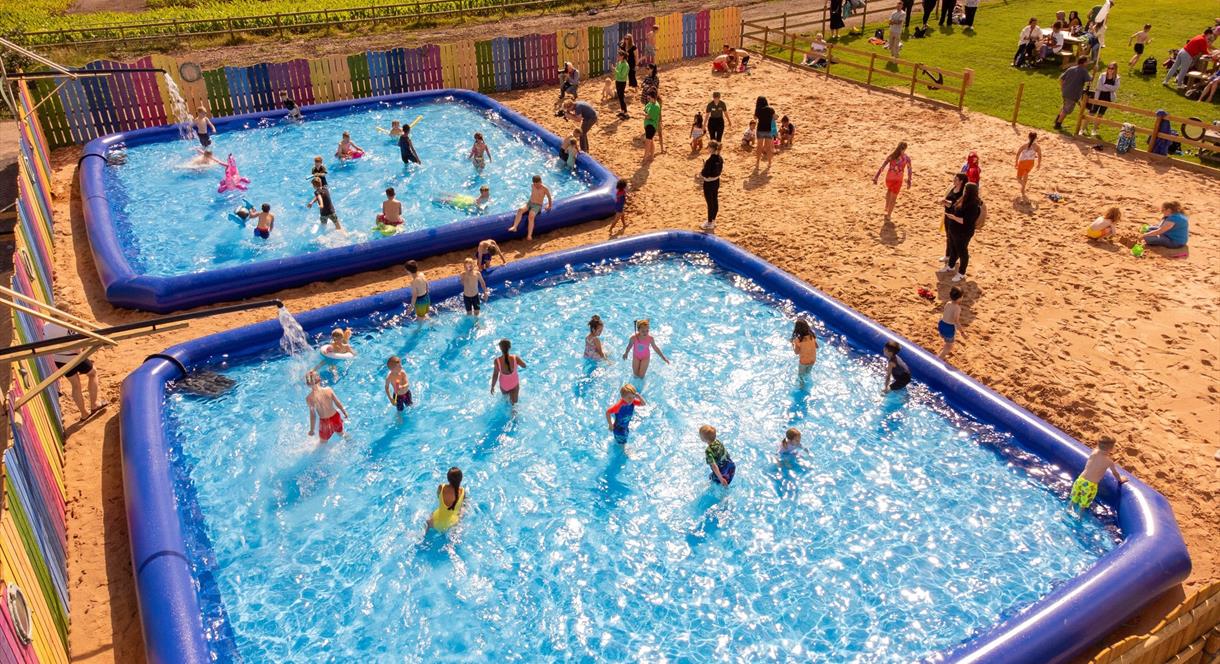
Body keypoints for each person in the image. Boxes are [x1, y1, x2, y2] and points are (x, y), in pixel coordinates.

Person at [43, 322, 105, 418]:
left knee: (75, 385)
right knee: (92, 373)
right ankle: (94, 404)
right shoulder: (68, 325)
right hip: (74, 358)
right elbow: (77, 350)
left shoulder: (46, 326)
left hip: (59, 360)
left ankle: (84, 413)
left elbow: (46, 344)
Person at [1069, 436, 1126, 514]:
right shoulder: (1109, 462)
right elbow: (1115, 473)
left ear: (1098, 445)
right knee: (1083, 505)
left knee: (1073, 499)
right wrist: (1120, 479)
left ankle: (1069, 508)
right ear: (1111, 449)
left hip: (1080, 480)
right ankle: (1079, 516)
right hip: (1090, 485)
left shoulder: (1094, 452)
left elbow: (1099, 448)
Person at [942, 181, 981, 283]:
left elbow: (966, 221)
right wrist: (947, 203)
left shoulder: (973, 205)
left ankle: (961, 273)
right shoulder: (964, 198)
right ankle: (950, 266)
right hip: (954, 229)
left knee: (962, 252)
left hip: (963, 232)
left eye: (965, 189)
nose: (963, 190)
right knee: (953, 248)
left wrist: (953, 217)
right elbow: (954, 205)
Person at [873, 142, 913, 222]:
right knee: (894, 197)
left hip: (889, 178)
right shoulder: (906, 158)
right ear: (905, 149)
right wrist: (909, 181)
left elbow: (882, 167)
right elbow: (909, 170)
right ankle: (889, 215)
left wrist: (876, 177)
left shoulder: (892, 156)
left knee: (889, 190)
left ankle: (886, 207)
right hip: (898, 179)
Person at [305, 370, 348, 443]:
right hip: (336, 417)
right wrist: (344, 412)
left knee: (323, 442)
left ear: (308, 384)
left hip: (325, 423)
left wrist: (312, 430)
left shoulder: (309, 398)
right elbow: (338, 403)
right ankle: (350, 441)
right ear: (319, 379)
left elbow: (313, 415)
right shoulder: (328, 390)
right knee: (341, 433)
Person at [508, 175, 553, 241]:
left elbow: (549, 197)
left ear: (541, 181)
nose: (536, 186)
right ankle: (515, 226)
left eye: (538, 184)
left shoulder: (545, 189)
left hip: (537, 206)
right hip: (530, 203)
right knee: (520, 210)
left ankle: (529, 235)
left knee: (531, 215)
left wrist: (549, 206)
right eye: (535, 184)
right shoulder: (532, 185)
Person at [424, 467, 466, 535]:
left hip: (436, 522)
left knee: (428, 521)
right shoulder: (463, 492)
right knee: (460, 516)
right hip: (451, 524)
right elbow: (463, 505)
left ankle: (423, 534)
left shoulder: (441, 487)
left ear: (448, 478)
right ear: (460, 479)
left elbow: (438, 496)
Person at [1087, 62, 1120, 136]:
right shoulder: (1102, 75)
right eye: (1109, 68)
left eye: (1112, 68)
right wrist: (1109, 88)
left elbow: (1115, 88)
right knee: (1091, 113)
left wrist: (1105, 85)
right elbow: (1099, 86)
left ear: (1115, 69)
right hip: (1099, 96)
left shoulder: (1117, 78)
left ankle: (1094, 130)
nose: (1110, 70)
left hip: (1107, 98)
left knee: (1100, 115)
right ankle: (1082, 128)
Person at [941, 172, 968, 265]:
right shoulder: (953, 188)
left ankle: (953, 257)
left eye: (956, 179)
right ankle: (948, 255)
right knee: (948, 237)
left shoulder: (963, 193)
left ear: (961, 181)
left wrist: (947, 203)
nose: (953, 181)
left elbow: (956, 205)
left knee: (953, 238)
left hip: (955, 218)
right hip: (947, 215)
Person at [490, 338, 526, 405]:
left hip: (504, 385)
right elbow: (524, 365)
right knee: (514, 404)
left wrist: (492, 386)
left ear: (500, 348)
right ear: (510, 347)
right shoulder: (515, 358)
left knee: (506, 400)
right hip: (514, 384)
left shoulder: (497, 361)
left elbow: (495, 375)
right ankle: (513, 413)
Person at [700, 141, 723, 233]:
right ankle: (713, 220)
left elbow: (705, 173)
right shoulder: (720, 158)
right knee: (715, 200)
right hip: (716, 181)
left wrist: (703, 167)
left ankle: (709, 222)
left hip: (709, 183)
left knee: (710, 203)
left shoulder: (709, 161)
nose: (708, 148)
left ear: (712, 148)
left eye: (708, 147)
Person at [938, 286, 964, 359]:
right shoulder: (957, 308)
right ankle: (939, 358)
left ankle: (944, 340)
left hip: (941, 324)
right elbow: (956, 321)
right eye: (962, 297)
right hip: (948, 328)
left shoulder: (948, 303)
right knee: (949, 346)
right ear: (959, 298)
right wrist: (962, 332)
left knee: (946, 339)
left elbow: (945, 313)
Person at [384, 355, 412, 421]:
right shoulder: (389, 377)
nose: (401, 367)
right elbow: (386, 387)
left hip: (406, 393)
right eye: (399, 366)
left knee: (410, 405)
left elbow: (407, 384)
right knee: (400, 410)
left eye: (401, 365)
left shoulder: (402, 372)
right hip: (398, 396)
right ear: (393, 369)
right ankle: (399, 419)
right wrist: (390, 399)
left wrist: (402, 386)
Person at [1014, 132, 1042, 201]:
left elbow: (1018, 153)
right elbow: (1039, 156)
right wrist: (1038, 164)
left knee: (1018, 178)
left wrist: (1016, 162)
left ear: (1028, 137)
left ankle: (1023, 185)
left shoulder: (1024, 145)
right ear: (1036, 138)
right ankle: (1023, 188)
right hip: (1031, 163)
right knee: (1026, 173)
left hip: (1023, 162)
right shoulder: (1037, 147)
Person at [753, 96, 775, 170]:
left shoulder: (758, 110)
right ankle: (769, 163)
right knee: (768, 148)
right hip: (768, 130)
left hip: (760, 130)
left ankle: (757, 162)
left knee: (759, 147)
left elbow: (755, 118)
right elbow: (775, 117)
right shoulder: (771, 109)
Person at [643, 93, 662, 161]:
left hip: (651, 126)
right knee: (651, 141)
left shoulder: (656, 106)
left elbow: (649, 116)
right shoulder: (650, 103)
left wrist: (643, 114)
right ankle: (651, 157)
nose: (648, 99)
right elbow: (645, 110)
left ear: (653, 98)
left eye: (649, 98)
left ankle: (645, 158)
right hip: (648, 125)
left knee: (648, 142)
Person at [613, 50, 630, 119]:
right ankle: (622, 111)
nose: (618, 57)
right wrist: (615, 69)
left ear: (623, 56)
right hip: (617, 81)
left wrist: (615, 70)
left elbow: (622, 75)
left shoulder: (625, 65)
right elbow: (617, 72)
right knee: (620, 97)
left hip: (622, 82)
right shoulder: (619, 63)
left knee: (621, 97)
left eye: (619, 55)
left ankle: (625, 112)